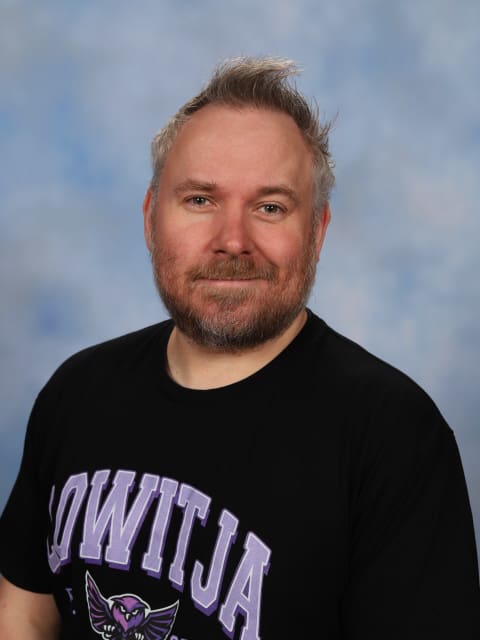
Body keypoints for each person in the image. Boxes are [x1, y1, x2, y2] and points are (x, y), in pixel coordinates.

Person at [0, 56, 478, 640]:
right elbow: (23, 613)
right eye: (200, 200)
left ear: (317, 231)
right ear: (151, 218)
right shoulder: (77, 392)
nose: (232, 241)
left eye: (270, 207)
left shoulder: (394, 436)